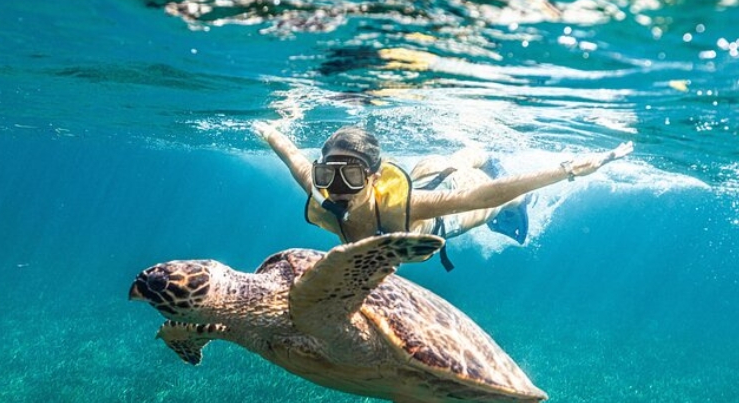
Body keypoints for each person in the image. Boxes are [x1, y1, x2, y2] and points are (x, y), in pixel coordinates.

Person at [255, 122, 633, 269]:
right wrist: (271, 132)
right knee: (440, 164)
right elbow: (293, 158)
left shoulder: (408, 206)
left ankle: (486, 157)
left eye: (351, 176)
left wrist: (567, 170)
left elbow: (483, 198)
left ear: (373, 177)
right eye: (328, 174)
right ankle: (473, 153)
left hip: (446, 212)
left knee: (494, 196)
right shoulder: (320, 191)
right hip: (425, 177)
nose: (336, 187)